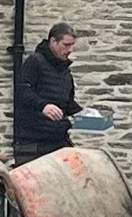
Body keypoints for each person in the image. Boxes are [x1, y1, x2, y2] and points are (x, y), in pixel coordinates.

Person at [14, 22, 82, 164]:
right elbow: (21, 90)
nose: (70, 50)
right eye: (66, 45)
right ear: (53, 41)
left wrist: (86, 116)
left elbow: (67, 104)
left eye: (72, 45)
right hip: (33, 144)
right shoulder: (35, 62)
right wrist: (43, 106)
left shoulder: (65, 72)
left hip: (58, 141)